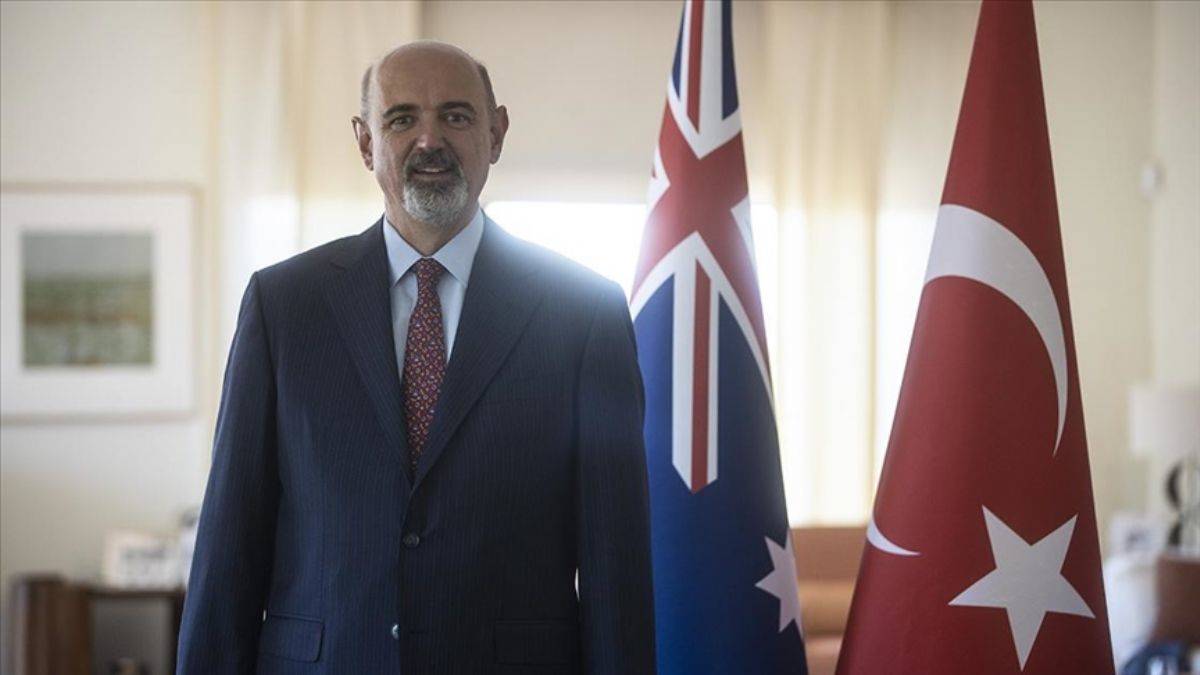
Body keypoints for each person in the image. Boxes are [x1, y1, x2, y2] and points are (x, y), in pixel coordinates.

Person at [177, 41, 655, 674]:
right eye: (402, 118)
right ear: (365, 143)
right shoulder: (283, 306)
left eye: (455, 115)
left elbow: (616, 564)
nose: (429, 140)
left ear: (496, 133)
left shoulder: (584, 314)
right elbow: (229, 544)